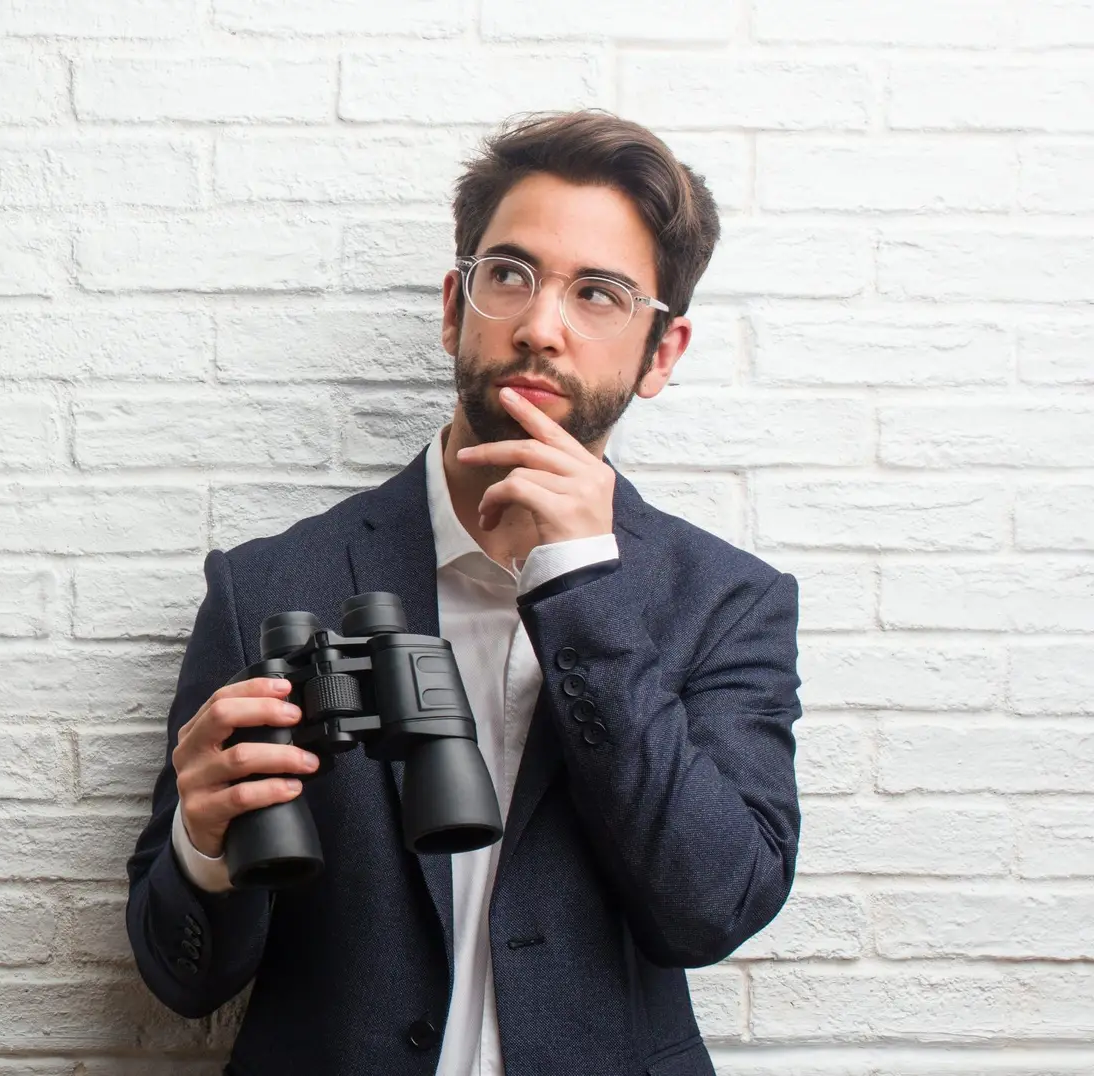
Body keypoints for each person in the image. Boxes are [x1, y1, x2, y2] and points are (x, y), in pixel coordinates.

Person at [123, 111, 803, 1076]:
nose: (539, 326)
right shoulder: (269, 586)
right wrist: (201, 840)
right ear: (455, 306)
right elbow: (180, 978)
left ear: (662, 353)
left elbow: (712, 906)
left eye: (600, 294)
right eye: (510, 275)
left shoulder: (729, 603)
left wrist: (580, 584)